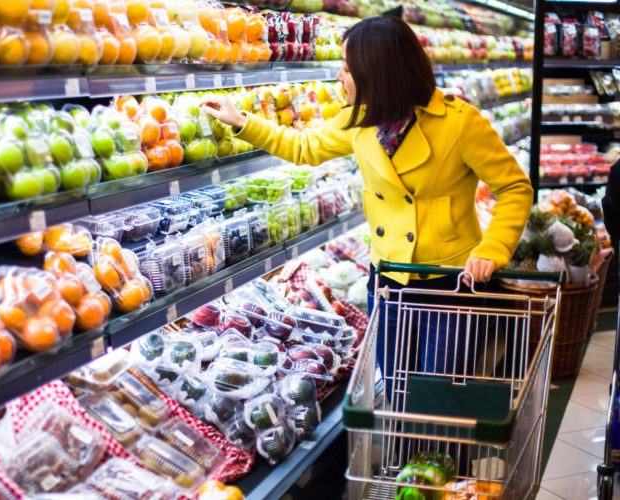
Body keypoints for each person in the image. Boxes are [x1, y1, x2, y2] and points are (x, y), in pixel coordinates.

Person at [202, 16, 533, 394]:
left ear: (379, 73)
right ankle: (402, 452)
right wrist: (241, 120)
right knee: (395, 388)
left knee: (437, 395)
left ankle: (436, 455)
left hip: (448, 283)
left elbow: (515, 188)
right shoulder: (360, 122)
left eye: (347, 69)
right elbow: (303, 147)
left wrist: (494, 247)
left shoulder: (460, 124)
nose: (339, 79)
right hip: (388, 279)